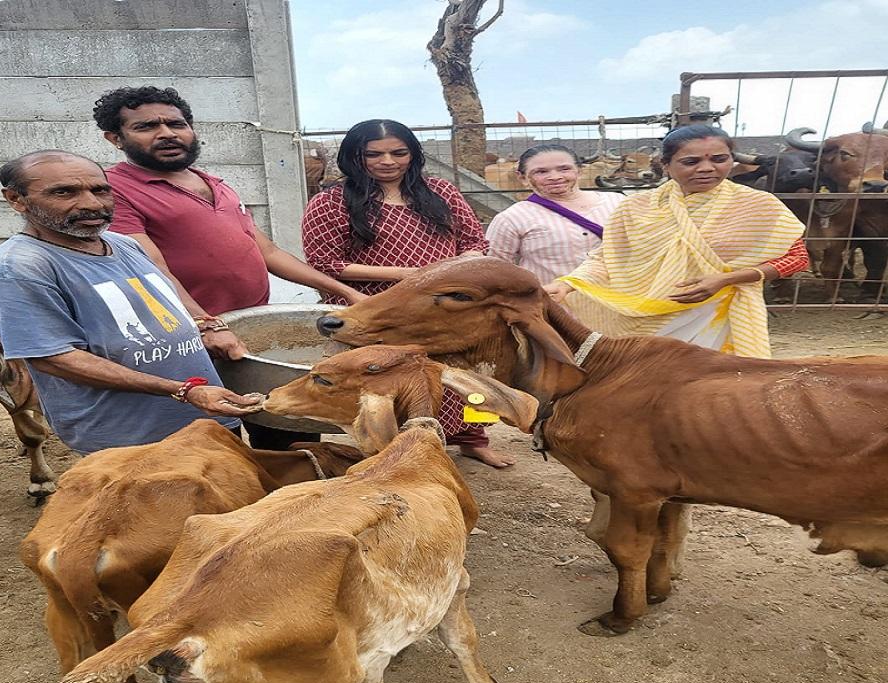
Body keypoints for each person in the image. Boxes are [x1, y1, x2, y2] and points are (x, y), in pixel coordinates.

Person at [94, 85, 363, 450]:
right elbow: (148, 266)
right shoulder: (115, 189)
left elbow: (267, 251)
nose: (167, 134)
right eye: (146, 127)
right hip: (188, 339)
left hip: (250, 329)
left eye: (176, 123)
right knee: (217, 435)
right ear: (115, 138)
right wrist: (207, 323)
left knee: (287, 425)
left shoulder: (215, 183)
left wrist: (344, 292)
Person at [0, 150, 262, 455]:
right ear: (16, 200)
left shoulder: (124, 245)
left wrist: (209, 325)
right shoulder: (19, 267)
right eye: (64, 192)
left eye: (100, 190)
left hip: (207, 415)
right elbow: (53, 358)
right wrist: (181, 389)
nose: (92, 204)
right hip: (133, 439)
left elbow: (165, 306)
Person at [301, 118, 513, 468]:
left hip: (445, 308)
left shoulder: (441, 192)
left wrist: (462, 267)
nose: (388, 161)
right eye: (375, 154)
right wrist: (407, 276)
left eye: (399, 152)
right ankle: (397, 448)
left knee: (472, 377)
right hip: (375, 308)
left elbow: (475, 241)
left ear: (413, 154)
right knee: (394, 381)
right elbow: (325, 262)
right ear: (355, 156)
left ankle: (474, 438)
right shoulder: (331, 202)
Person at [547, 125, 809, 357]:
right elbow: (606, 259)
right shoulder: (636, 207)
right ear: (666, 165)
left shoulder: (758, 204)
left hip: (721, 314)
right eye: (691, 161)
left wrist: (726, 279)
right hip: (647, 316)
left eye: (719, 159)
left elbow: (797, 259)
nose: (707, 168)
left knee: (716, 390)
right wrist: (568, 285)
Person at [486, 144, 624, 283]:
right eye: (541, 172)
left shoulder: (617, 202)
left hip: (619, 300)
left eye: (564, 169)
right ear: (522, 178)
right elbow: (495, 267)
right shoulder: (512, 218)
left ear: (579, 171)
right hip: (554, 302)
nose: (555, 177)